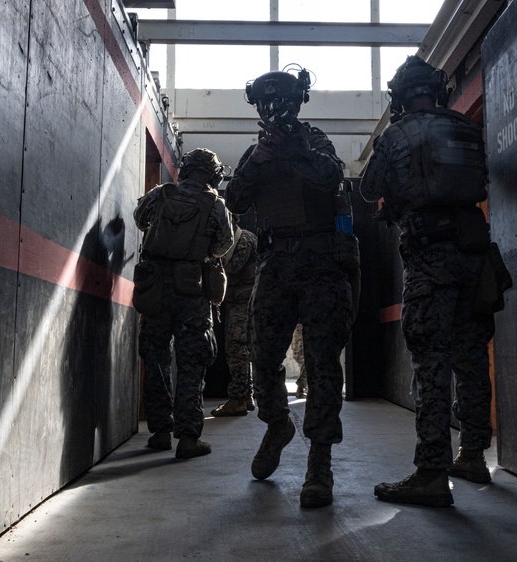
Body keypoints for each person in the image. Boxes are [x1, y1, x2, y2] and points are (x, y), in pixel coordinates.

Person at [361, 56, 500, 506]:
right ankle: (474, 455)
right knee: (471, 357)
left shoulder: (397, 133)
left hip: (430, 258)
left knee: (431, 363)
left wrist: (398, 199)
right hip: (475, 253)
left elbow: (368, 188)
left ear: (400, 96)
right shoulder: (465, 128)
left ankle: (431, 473)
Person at [225, 66, 359, 508]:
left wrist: (293, 153)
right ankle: (277, 423)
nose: (270, 111)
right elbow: (235, 202)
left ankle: (319, 463)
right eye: (263, 104)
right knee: (260, 355)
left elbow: (333, 178)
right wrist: (258, 163)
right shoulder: (255, 152)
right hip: (276, 264)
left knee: (322, 365)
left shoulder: (314, 140)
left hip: (321, 264)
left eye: (277, 102)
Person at [132, 148, 234, 459]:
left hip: (155, 286)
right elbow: (223, 245)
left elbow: (139, 219)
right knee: (192, 362)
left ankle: (161, 432)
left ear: (185, 169)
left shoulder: (161, 194)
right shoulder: (216, 205)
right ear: (214, 174)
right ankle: (189, 437)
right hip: (192, 289)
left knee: (156, 356)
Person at [211, 214, 259, 417]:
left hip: (244, 302)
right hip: (237, 301)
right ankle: (246, 396)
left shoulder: (244, 239)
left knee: (236, 349)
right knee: (240, 350)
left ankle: (238, 399)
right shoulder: (229, 239)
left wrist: (211, 256)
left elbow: (232, 266)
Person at [289, 323, 307, 398]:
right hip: (298, 326)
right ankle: (302, 386)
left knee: (307, 359)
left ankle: (301, 386)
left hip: (307, 325)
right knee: (299, 356)